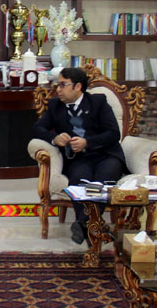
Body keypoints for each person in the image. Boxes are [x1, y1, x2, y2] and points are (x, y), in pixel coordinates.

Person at [31, 67, 126, 244]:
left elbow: (114, 133)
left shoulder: (98, 102)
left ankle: (83, 223)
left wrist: (87, 142)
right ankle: (92, 227)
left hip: (106, 155)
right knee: (79, 180)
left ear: (78, 87)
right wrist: (55, 138)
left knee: (102, 180)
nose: (58, 89)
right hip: (78, 159)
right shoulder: (55, 106)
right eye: (57, 85)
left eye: (62, 85)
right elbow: (37, 129)